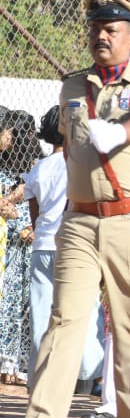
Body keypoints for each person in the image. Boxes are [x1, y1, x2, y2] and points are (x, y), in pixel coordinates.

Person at [5, 0, 130, 418]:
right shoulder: (73, 86)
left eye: (112, 30)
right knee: (65, 318)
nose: (101, 36)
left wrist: (119, 131)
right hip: (79, 220)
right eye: (96, 28)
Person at [24, 106, 104, 392]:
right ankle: (92, 376)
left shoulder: (39, 168)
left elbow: (35, 215)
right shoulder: (83, 166)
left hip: (43, 247)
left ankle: (39, 380)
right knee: (85, 309)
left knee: (42, 314)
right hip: (76, 247)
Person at [0, 109, 43, 382]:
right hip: (10, 245)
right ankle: (7, 362)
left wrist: (31, 229)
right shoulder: (3, 169)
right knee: (9, 303)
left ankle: (24, 364)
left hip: (34, 243)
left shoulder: (39, 165)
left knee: (31, 303)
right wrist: (17, 225)